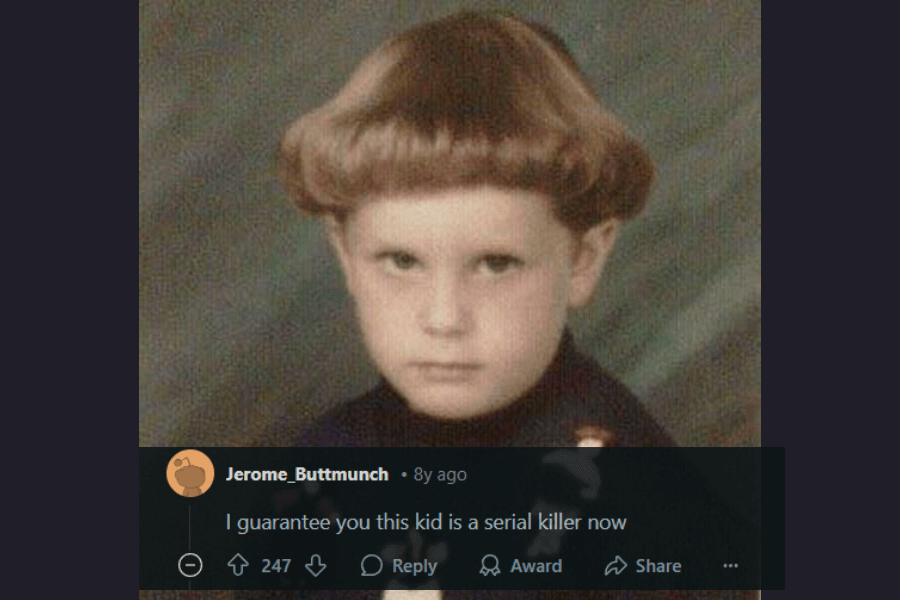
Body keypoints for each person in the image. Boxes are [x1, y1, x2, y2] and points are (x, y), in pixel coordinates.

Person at [279, 11, 672, 450]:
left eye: (496, 264)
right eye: (402, 261)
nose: (444, 319)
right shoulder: (327, 453)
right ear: (345, 255)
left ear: (583, 260)